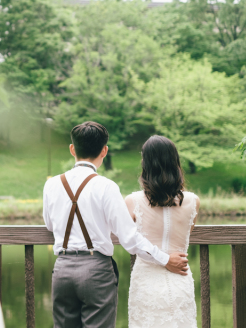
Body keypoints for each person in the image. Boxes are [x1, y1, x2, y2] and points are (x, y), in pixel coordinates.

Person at [43, 122, 189, 328]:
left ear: (72, 149)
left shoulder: (52, 184)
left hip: (62, 269)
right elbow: (129, 239)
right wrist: (165, 259)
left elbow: (50, 225)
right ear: (104, 150)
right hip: (95, 270)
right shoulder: (106, 186)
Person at [125, 135, 200, 328]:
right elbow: (188, 232)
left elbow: (129, 241)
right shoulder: (193, 201)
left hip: (146, 281)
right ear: (175, 163)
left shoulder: (133, 201)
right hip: (180, 277)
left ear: (146, 164)